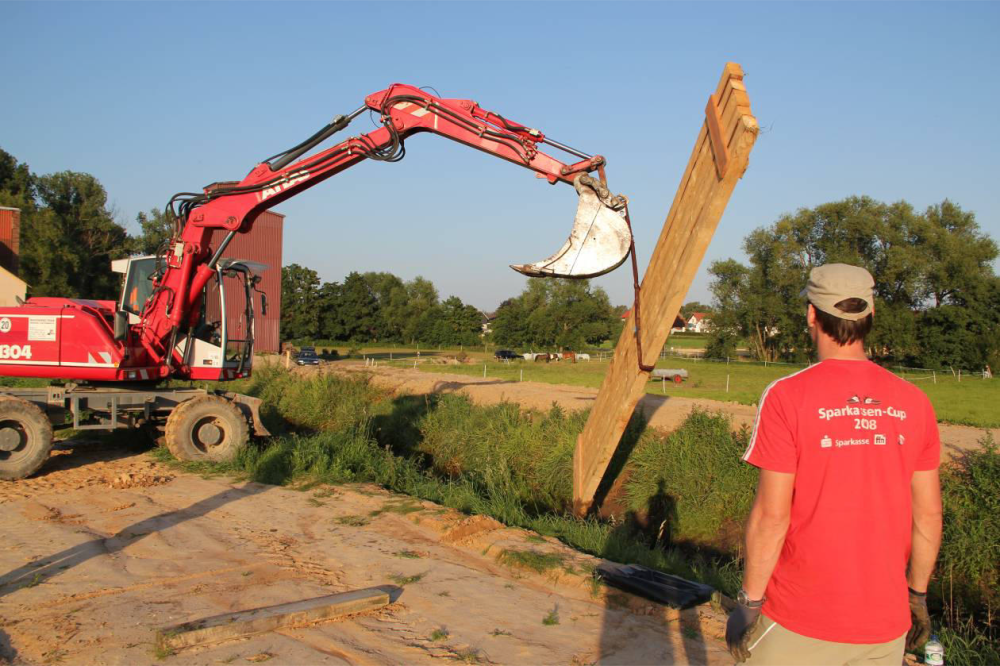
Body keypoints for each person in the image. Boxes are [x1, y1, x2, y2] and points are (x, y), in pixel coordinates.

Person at [725, 264, 942, 665]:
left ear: (812, 314)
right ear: (870, 316)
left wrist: (749, 603)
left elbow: (773, 517)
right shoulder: (915, 402)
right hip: (884, 629)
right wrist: (916, 597)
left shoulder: (786, 396)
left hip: (798, 620)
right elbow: (927, 515)